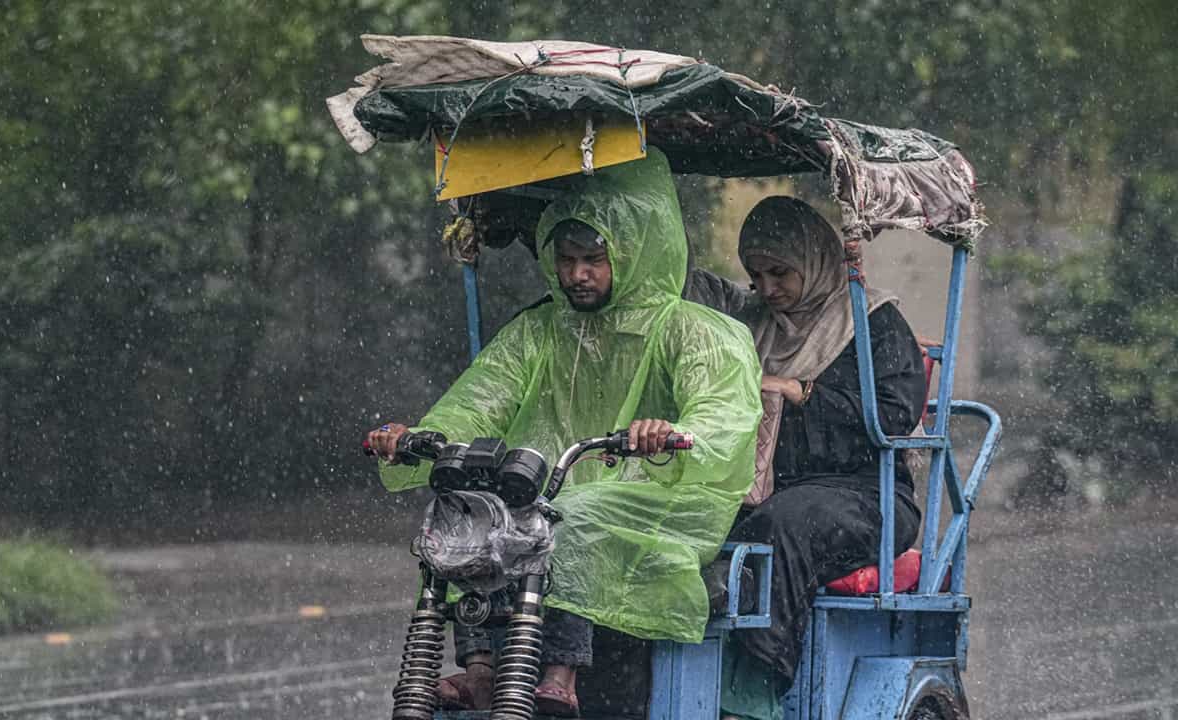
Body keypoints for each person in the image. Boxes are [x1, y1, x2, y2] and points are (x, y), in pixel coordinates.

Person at [366, 149, 763, 717]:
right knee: (462, 511)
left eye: (593, 259)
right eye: (568, 258)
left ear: (632, 252)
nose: (577, 274)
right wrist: (418, 437)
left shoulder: (696, 329)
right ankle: (480, 668)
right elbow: (479, 402)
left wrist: (669, 433)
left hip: (663, 497)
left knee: (568, 518)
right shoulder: (538, 331)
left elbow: (722, 416)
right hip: (554, 487)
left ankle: (560, 671)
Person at [719, 197, 925, 720]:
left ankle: (753, 692)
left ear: (812, 260)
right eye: (757, 275)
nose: (768, 289)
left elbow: (896, 414)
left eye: (780, 272)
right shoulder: (751, 326)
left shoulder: (874, 321)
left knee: (779, 527)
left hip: (867, 496)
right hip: (766, 490)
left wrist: (802, 392)